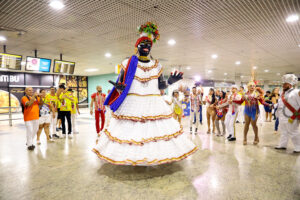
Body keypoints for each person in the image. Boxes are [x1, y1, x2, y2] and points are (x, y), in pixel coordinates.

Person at [93, 22, 197, 165]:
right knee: (132, 133)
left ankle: (153, 157)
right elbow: (123, 86)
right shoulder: (127, 63)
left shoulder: (157, 65)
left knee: (155, 133)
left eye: (149, 44)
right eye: (143, 44)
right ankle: (132, 157)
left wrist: (171, 81)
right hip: (132, 103)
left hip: (154, 103)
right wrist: (119, 88)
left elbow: (161, 85)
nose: (146, 46)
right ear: (137, 47)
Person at [275, 74, 300, 153]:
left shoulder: (296, 92)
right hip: (282, 116)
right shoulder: (282, 94)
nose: (283, 85)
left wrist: (295, 115)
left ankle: (298, 147)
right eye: (283, 84)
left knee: (293, 132)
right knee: (283, 131)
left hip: (292, 116)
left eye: (285, 84)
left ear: (290, 84)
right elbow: (280, 105)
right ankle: (283, 145)